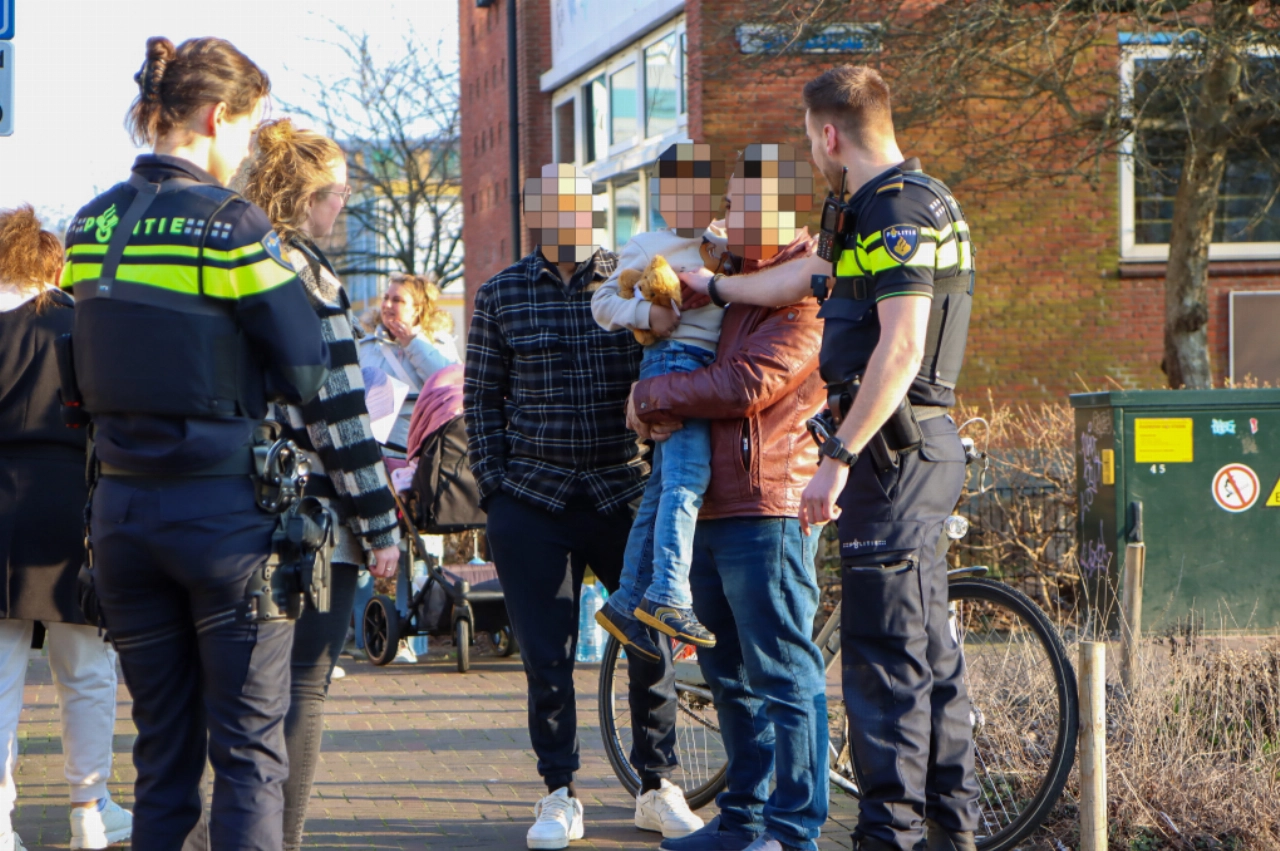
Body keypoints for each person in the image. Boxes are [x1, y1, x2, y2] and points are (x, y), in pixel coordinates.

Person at [680, 65, 981, 851]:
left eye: (811, 141)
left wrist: (840, 456)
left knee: (884, 671)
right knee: (931, 659)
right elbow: (815, 276)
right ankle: (953, 834)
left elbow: (902, 344)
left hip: (891, 452)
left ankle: (893, 840)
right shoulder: (901, 203)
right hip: (912, 449)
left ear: (827, 133)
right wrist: (718, 290)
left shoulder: (896, 211)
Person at [60, 37, 329, 851]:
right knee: (249, 754)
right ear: (217, 117)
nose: (248, 150)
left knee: (161, 756)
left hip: (122, 518)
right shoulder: (231, 224)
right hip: (223, 520)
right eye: (248, 130)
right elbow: (308, 366)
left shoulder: (90, 221)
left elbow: (79, 373)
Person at [465, 163, 699, 850]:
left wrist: (659, 466)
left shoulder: (631, 276)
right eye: (555, 206)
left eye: (580, 205)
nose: (569, 217)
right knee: (548, 656)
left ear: (593, 212)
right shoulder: (501, 294)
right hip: (532, 500)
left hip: (622, 489)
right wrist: (495, 490)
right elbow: (481, 400)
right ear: (534, 212)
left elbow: (665, 370)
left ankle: (658, 784)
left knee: (648, 642)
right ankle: (558, 791)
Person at [626, 151, 830, 851]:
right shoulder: (736, 281)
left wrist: (651, 396)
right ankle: (745, 821)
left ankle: (794, 830)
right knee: (730, 679)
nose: (725, 216)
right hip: (716, 504)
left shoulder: (805, 288)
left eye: (741, 205)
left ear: (782, 210)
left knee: (782, 673)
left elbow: (746, 382)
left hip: (766, 506)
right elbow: (673, 341)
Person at [239, 118, 402, 851]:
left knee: (241, 695)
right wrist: (381, 527)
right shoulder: (309, 279)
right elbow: (339, 419)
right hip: (309, 522)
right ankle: (282, 839)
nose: (343, 207)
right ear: (308, 195)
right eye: (338, 192)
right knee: (302, 687)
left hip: (232, 504)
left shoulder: (236, 263)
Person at [0, 207, 133, 851]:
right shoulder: (77, 323)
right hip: (70, 503)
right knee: (85, 666)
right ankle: (89, 809)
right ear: (51, 266)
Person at [590, 142, 729, 656]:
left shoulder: (723, 246)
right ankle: (670, 592)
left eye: (701, 190)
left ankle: (628, 599)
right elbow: (603, 302)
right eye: (679, 192)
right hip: (672, 362)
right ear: (662, 197)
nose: (691, 201)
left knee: (664, 485)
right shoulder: (648, 244)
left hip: (705, 369)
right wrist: (648, 318)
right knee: (688, 480)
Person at [356, 272, 459, 390]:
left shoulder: (440, 343)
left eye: (397, 300)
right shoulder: (364, 345)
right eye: (386, 298)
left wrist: (413, 343)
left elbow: (448, 386)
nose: (387, 305)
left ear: (417, 309)